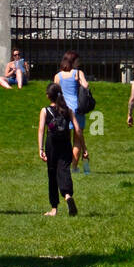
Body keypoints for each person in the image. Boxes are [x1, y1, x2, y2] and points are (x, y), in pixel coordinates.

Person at [38, 82, 80, 216]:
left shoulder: (45, 110)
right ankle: (68, 195)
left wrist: (40, 149)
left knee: (52, 174)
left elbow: (41, 130)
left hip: (51, 144)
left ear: (48, 96)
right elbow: (78, 129)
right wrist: (83, 148)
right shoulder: (67, 110)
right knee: (64, 170)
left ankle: (54, 208)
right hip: (65, 143)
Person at [53, 50, 90, 172]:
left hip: (63, 108)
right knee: (77, 139)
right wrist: (81, 81)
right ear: (72, 61)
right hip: (76, 108)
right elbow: (85, 86)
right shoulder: (78, 73)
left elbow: (55, 93)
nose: (79, 63)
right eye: (77, 61)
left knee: (65, 139)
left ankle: (64, 164)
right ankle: (73, 166)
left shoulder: (57, 76)